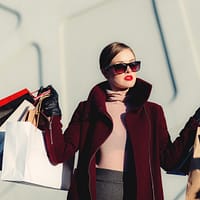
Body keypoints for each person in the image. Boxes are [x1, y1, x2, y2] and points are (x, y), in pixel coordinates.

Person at [39, 42, 200, 200]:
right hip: (94, 192)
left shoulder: (152, 112)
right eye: (120, 67)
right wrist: (53, 114)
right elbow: (59, 153)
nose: (129, 70)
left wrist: (195, 121)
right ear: (105, 72)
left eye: (133, 65)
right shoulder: (88, 109)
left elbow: (169, 160)